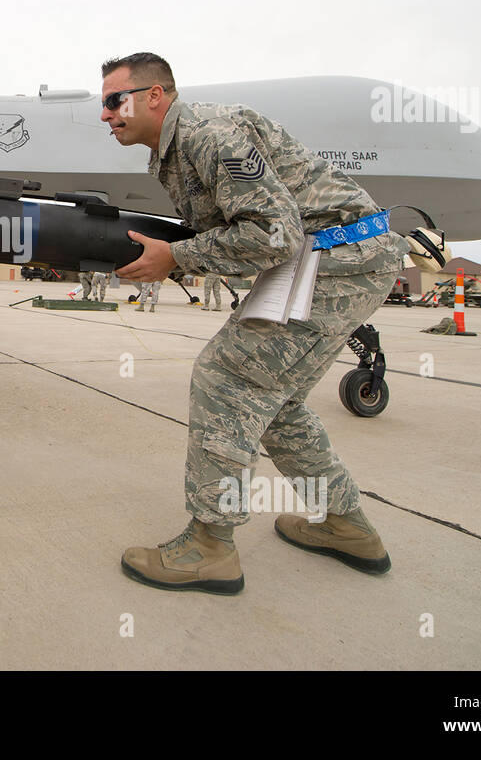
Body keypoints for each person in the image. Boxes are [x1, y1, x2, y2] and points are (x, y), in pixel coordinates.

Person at [101, 52, 407, 594]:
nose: (106, 114)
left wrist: (177, 258)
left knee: (227, 379)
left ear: (155, 95)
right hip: (327, 260)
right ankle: (345, 526)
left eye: (114, 100)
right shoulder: (174, 149)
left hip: (338, 258)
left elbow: (274, 234)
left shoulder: (208, 133)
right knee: (275, 402)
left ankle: (210, 547)